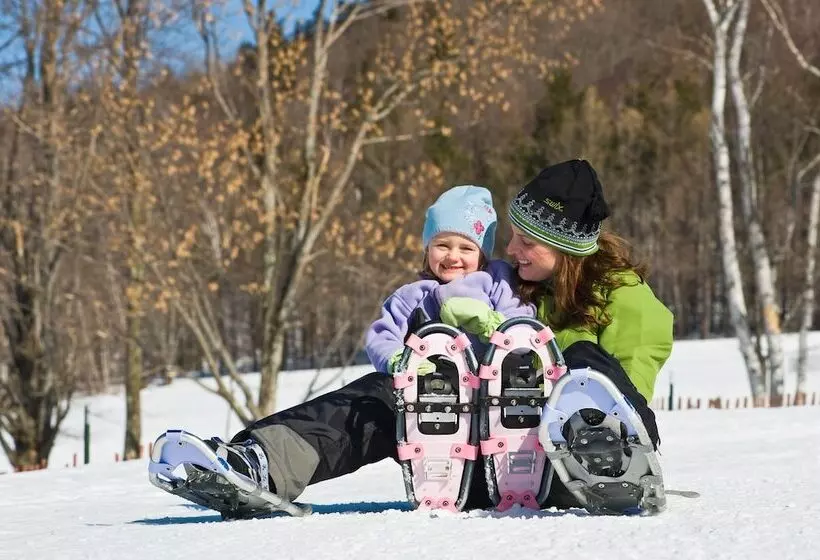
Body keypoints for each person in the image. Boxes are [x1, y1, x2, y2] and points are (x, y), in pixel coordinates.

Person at [206, 185, 532, 507]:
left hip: (499, 441)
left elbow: (525, 331)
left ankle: (260, 461)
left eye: (466, 248)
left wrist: (494, 327)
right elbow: (381, 337)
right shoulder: (411, 297)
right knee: (369, 398)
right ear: (426, 247)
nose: (453, 256)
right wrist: (397, 360)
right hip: (431, 426)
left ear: (484, 254)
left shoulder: (499, 282)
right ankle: (257, 462)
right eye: (442, 244)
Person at [440, 159, 674, 449]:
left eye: (526, 242)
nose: (512, 249)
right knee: (381, 390)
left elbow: (633, 375)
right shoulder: (511, 287)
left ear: (565, 249)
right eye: (513, 236)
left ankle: (614, 456)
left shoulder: (623, 294)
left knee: (581, 358)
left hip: (586, 443)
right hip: (504, 446)